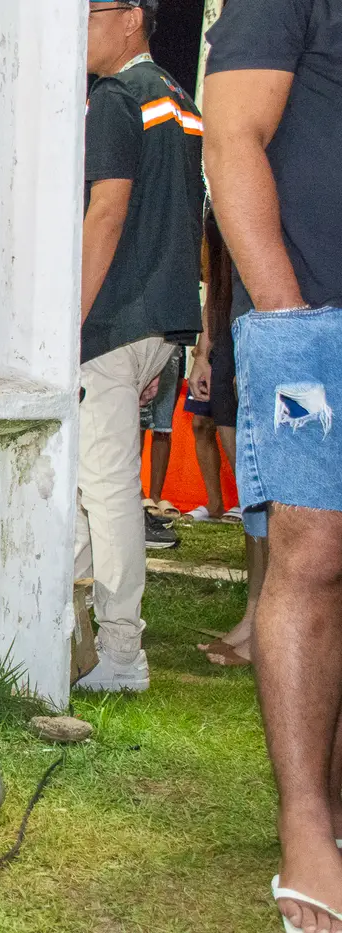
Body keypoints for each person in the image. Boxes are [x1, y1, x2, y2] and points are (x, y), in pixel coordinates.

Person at [204, 0, 342, 928]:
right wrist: (289, 322)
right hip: (315, 320)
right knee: (314, 551)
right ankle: (306, 825)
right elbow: (231, 140)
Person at [76, 0, 203, 693]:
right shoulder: (178, 96)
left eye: (90, 13)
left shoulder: (117, 96)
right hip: (160, 319)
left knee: (106, 489)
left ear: (130, 18)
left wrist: (71, 320)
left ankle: (121, 650)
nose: (80, 28)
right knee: (93, 482)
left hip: (115, 317)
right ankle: (74, 633)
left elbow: (108, 211)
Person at [189, 211, 266, 668]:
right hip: (232, 340)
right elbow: (218, 280)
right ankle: (254, 616)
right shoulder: (221, 195)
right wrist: (204, 352)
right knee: (254, 502)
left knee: (271, 504)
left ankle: (267, 625)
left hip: (264, 337)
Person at [139, 348, 183, 549]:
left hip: (172, 346)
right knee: (138, 420)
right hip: (140, 343)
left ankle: (156, 495)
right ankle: (139, 494)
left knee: (164, 425)